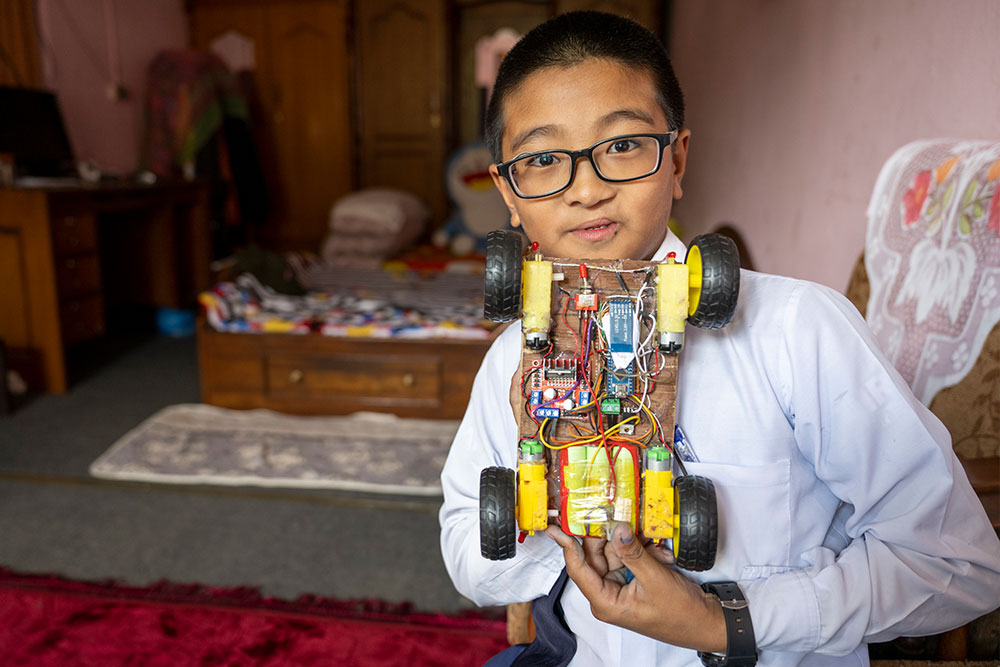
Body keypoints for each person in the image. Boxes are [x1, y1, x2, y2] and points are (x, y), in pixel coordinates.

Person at [439, 11, 1000, 667]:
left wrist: (723, 618)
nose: (587, 189)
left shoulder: (796, 330)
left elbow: (962, 564)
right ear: (508, 193)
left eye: (622, 146)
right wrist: (545, 506)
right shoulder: (514, 358)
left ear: (676, 159)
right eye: (542, 160)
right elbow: (465, 553)